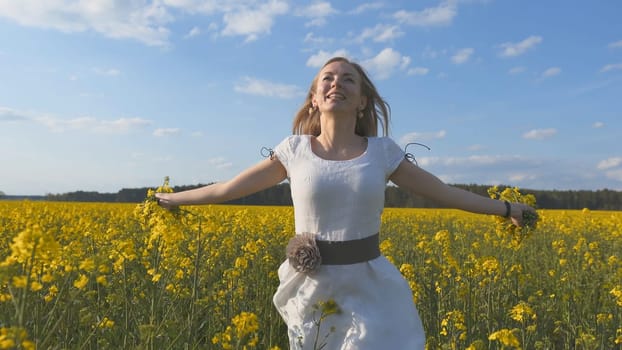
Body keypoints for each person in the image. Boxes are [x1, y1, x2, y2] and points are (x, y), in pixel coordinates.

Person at [155, 56, 537, 349]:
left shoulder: (383, 152)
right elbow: (230, 188)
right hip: (310, 287)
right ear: (314, 98)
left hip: (372, 287)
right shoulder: (293, 150)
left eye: (348, 79)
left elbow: (445, 193)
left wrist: (507, 209)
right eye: (328, 78)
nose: (337, 83)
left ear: (362, 101)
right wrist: (172, 198)